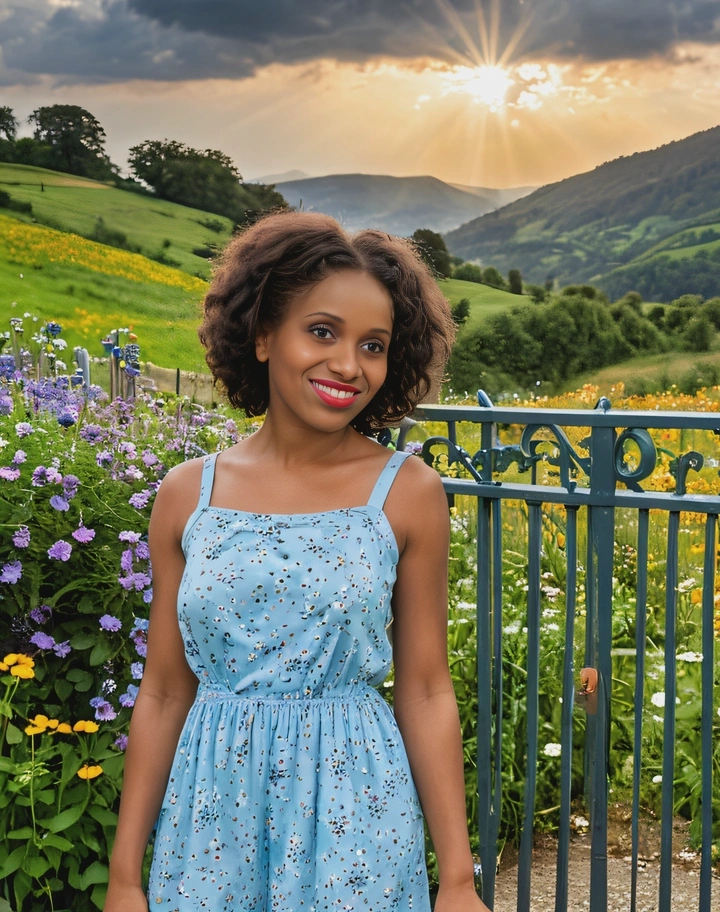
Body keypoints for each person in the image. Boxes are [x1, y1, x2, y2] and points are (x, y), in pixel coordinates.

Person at [103, 211, 489, 912]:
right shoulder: (189, 494)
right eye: (322, 331)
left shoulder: (407, 493)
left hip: (357, 815)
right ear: (260, 334)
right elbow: (163, 691)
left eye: (373, 344)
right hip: (210, 819)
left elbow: (427, 689)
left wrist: (457, 881)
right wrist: (125, 876)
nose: (349, 364)